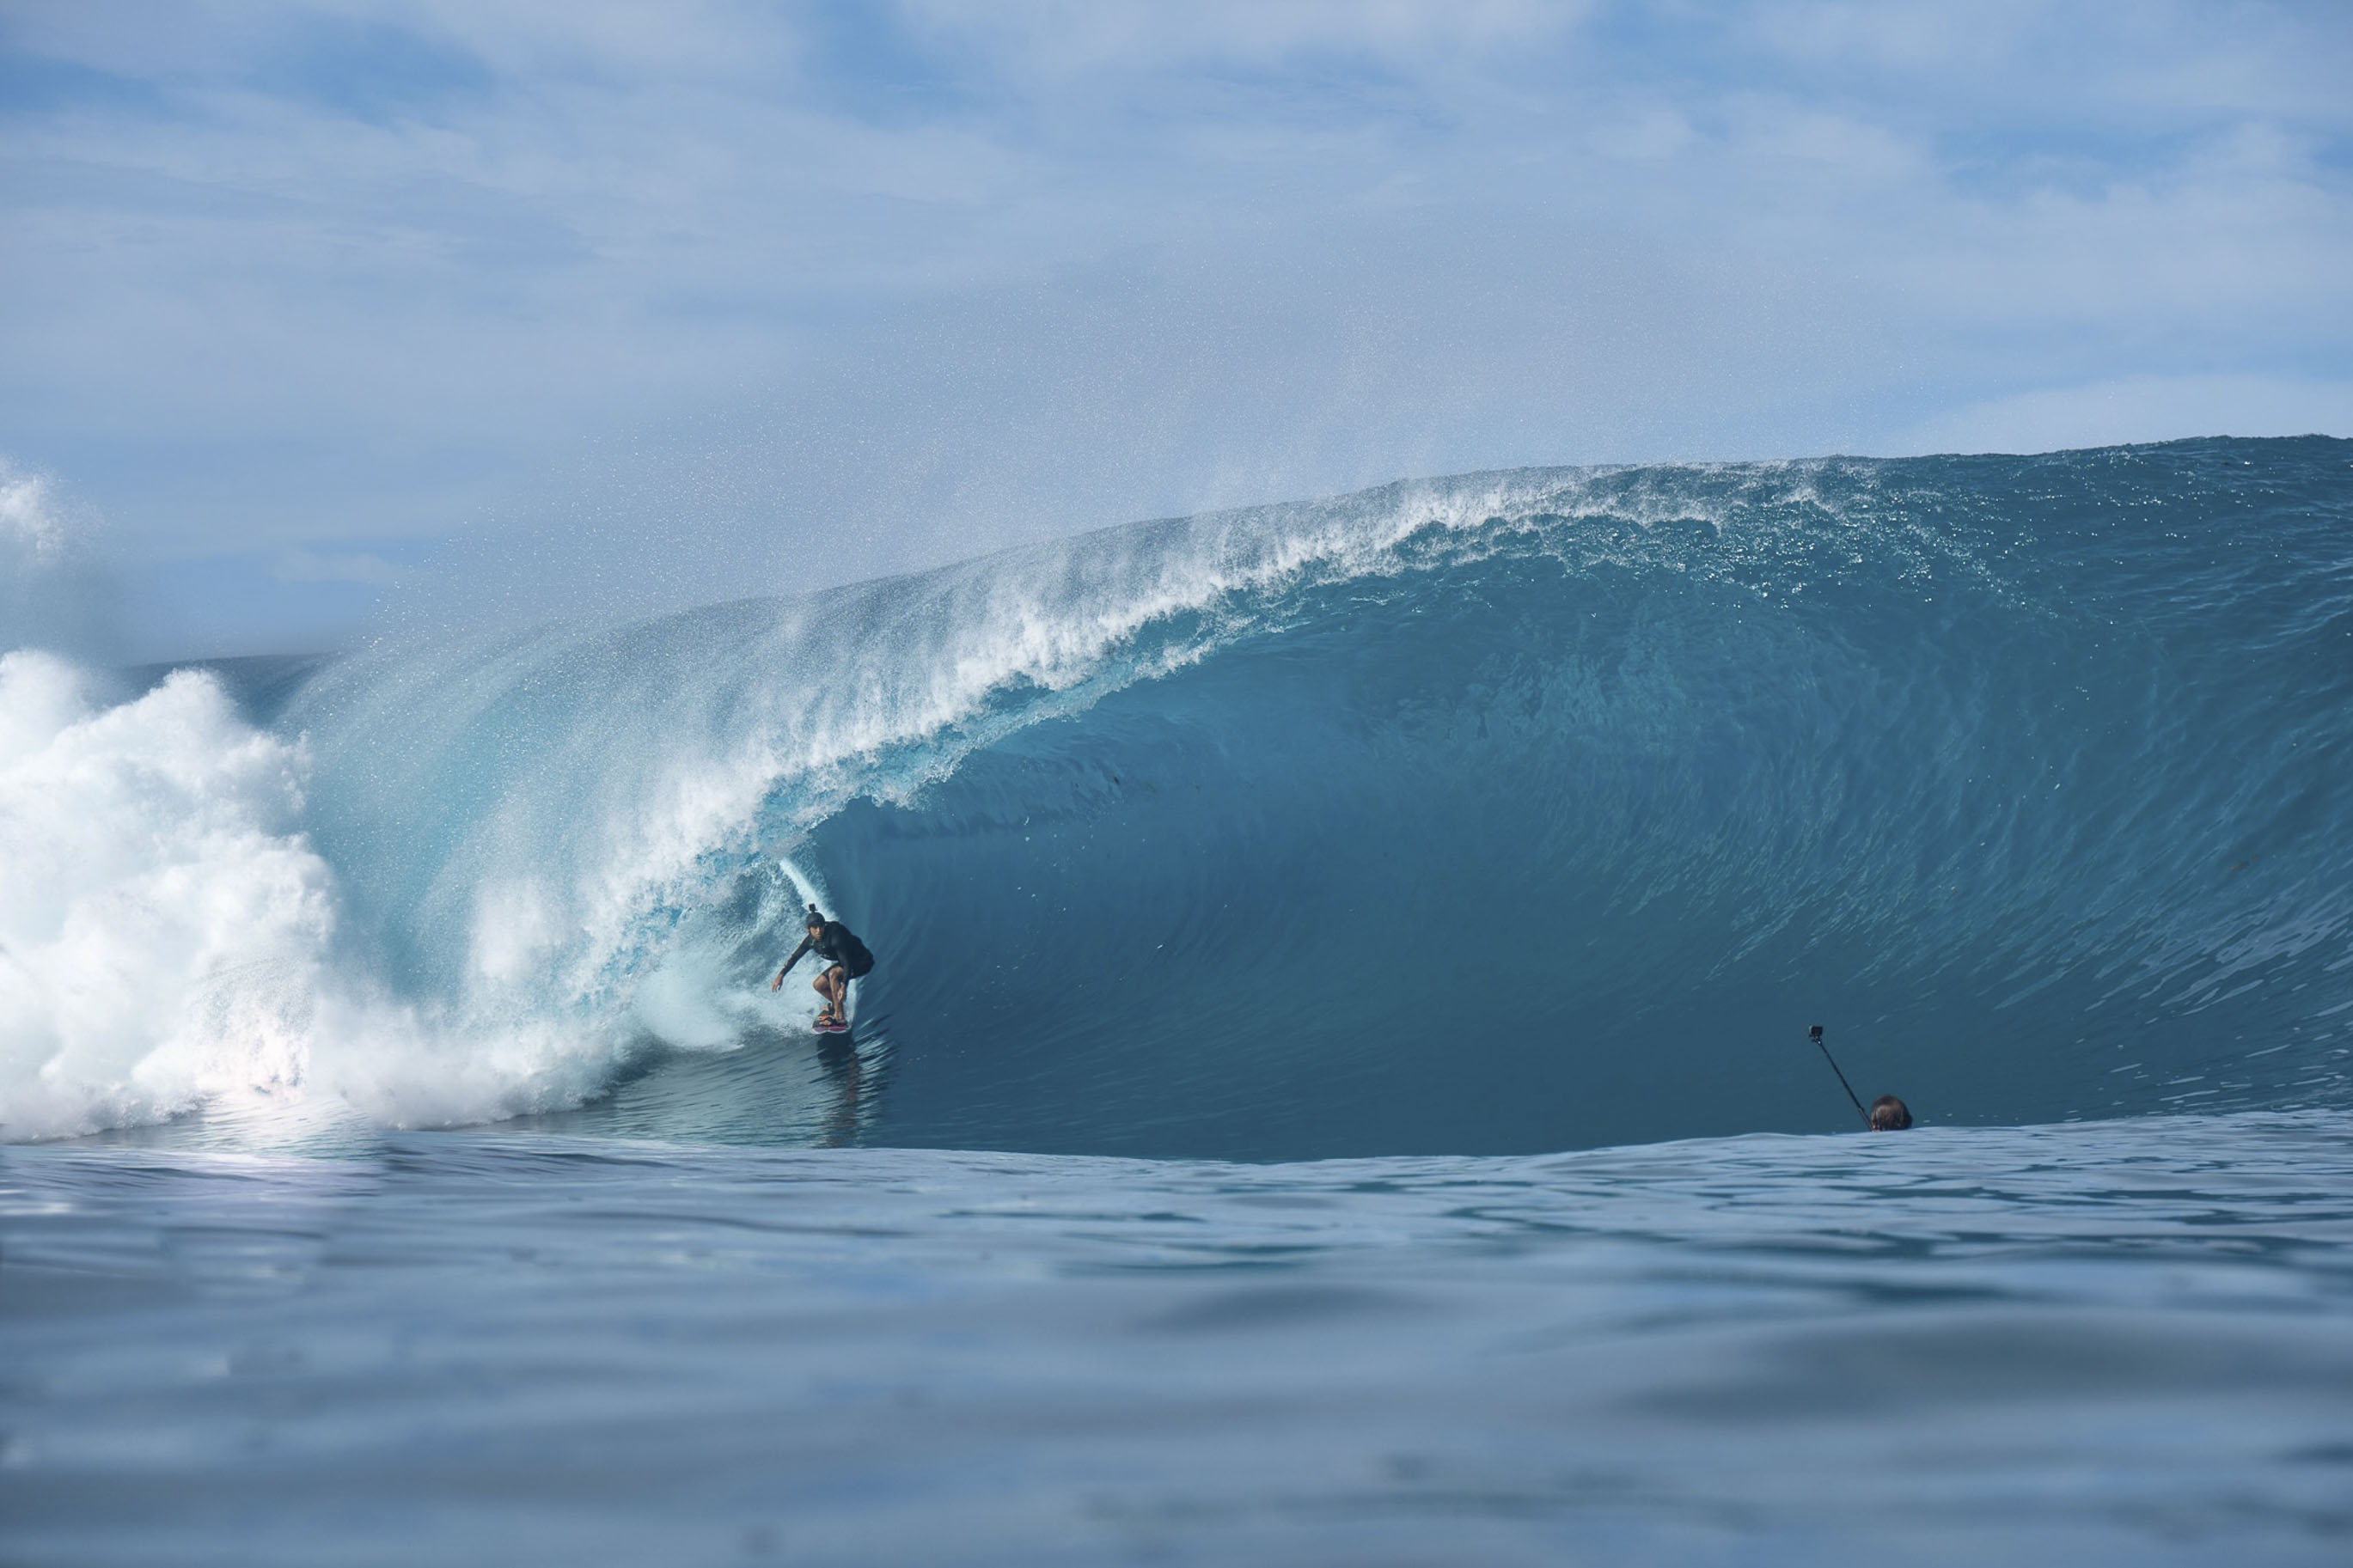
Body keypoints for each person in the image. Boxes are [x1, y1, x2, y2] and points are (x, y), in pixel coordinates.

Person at [772, 905, 875, 1028]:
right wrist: (781, 975)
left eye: (821, 926)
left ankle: (839, 1016)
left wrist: (844, 986)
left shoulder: (835, 936)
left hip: (862, 961)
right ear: (808, 929)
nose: (819, 930)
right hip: (847, 962)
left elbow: (846, 962)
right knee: (818, 985)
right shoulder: (810, 941)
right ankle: (837, 1005)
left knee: (833, 974)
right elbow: (795, 957)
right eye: (815, 928)